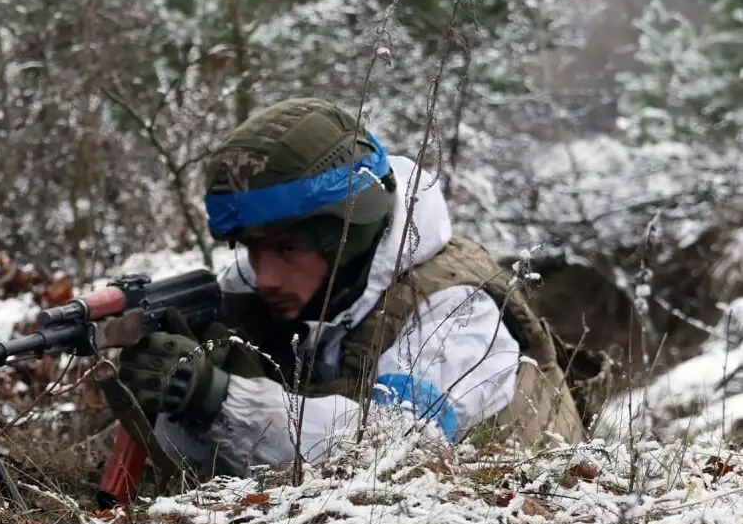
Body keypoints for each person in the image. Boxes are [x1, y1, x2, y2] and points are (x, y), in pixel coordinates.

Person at [116, 97, 608, 479]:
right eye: (251, 248)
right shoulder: (278, 285)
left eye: (287, 250)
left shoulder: (458, 312)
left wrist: (216, 396)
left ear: (345, 236)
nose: (264, 276)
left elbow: (393, 447)